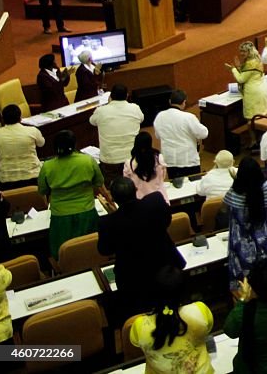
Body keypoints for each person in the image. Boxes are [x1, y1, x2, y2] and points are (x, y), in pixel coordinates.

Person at [98, 177, 184, 316]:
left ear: (112, 198)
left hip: (132, 277)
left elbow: (104, 250)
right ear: (136, 190)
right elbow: (166, 221)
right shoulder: (155, 201)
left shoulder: (108, 222)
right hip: (164, 266)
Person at [129, 266, 213, 374]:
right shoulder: (200, 311)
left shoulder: (140, 326)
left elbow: (135, 342)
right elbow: (209, 328)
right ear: (183, 291)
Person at [37, 130, 105, 260]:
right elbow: (99, 182)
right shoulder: (88, 160)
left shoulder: (47, 166)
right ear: (74, 144)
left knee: (65, 253)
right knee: (90, 249)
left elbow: (42, 191)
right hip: (87, 212)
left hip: (60, 217)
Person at [225, 159, 267, 290]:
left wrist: (235, 181)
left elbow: (228, 209)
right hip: (264, 240)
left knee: (244, 285)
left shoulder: (235, 193)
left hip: (241, 245)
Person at [89, 84, 145, 182]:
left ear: (110, 97)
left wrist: (108, 104)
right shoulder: (135, 108)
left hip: (110, 160)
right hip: (132, 158)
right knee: (134, 186)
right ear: (127, 96)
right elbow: (141, 118)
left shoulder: (101, 111)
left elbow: (92, 121)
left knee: (113, 188)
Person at [153, 89, 208, 179]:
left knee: (175, 186)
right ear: (184, 102)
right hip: (188, 159)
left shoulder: (160, 116)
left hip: (170, 159)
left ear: (170, 101)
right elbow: (203, 134)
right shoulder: (188, 117)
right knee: (193, 185)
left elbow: (158, 135)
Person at [227, 42, 267, 144]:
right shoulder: (257, 58)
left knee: (251, 119)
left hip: (253, 94)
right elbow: (247, 74)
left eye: (244, 51)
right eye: (240, 51)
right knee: (262, 115)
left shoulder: (250, 63)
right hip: (262, 90)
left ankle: (253, 142)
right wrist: (238, 67)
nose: (241, 53)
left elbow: (241, 79)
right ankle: (261, 139)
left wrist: (233, 69)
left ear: (249, 51)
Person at [0, 105, 44, 189]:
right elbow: (41, 143)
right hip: (33, 178)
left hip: (7, 181)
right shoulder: (32, 131)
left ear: (3, 119)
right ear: (20, 117)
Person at [123, 132, 168, 202]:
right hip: (161, 200)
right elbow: (163, 177)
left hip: (140, 202)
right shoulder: (159, 159)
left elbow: (127, 185)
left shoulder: (129, 164)